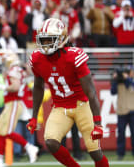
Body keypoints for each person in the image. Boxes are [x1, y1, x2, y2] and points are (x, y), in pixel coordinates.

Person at [27, 18, 109, 167]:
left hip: (82, 105)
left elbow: (91, 92)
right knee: (51, 142)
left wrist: (98, 123)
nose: (45, 44)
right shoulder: (37, 59)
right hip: (60, 106)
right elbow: (38, 87)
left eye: (49, 40)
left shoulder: (74, 57)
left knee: (94, 151)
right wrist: (33, 117)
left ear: (61, 40)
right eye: (43, 40)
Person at [0, 53, 39, 167]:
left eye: (6, 60)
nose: (4, 63)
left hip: (14, 103)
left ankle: (30, 147)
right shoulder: (16, 70)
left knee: (7, 131)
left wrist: (4, 87)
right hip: (10, 103)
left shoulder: (14, 69)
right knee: (1, 131)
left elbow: (15, 87)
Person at [110, 66, 134, 160]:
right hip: (121, 111)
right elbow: (113, 91)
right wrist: (115, 79)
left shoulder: (130, 81)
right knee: (121, 134)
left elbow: (130, 84)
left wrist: (127, 78)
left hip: (132, 110)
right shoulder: (118, 82)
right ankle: (120, 154)